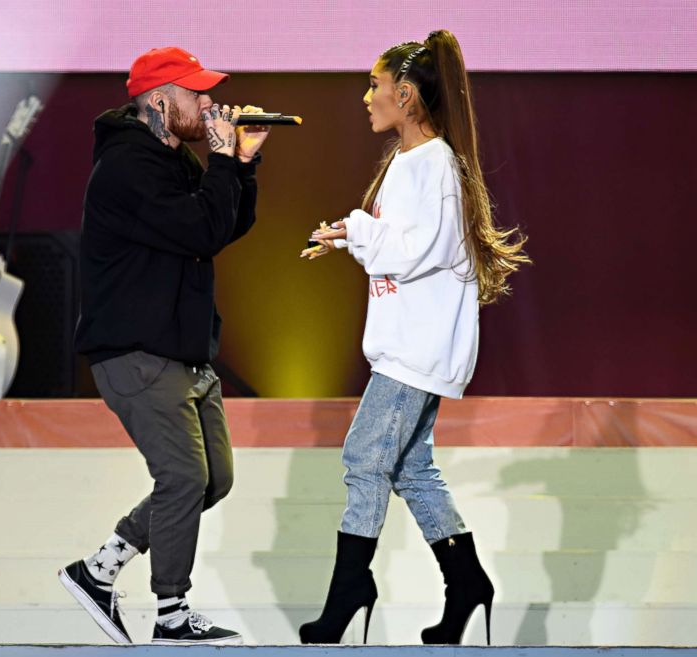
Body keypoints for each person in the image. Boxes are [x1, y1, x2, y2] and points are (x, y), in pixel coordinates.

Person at [298, 30, 529, 645]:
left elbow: (411, 251)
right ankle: (467, 584)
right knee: (411, 469)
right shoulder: (413, 162)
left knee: (363, 456)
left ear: (406, 96)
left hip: (416, 350)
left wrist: (358, 229)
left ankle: (351, 589)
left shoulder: (434, 164)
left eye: (375, 87)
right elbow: (402, 250)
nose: (366, 98)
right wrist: (351, 237)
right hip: (411, 343)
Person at [60, 46, 271, 645]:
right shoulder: (129, 166)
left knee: (212, 479)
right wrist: (225, 157)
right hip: (138, 350)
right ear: (160, 102)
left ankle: (98, 568)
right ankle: (172, 616)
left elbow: (223, 224)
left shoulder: (170, 157)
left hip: (182, 350)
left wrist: (243, 165)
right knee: (182, 477)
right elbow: (202, 226)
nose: (208, 105)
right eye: (196, 95)